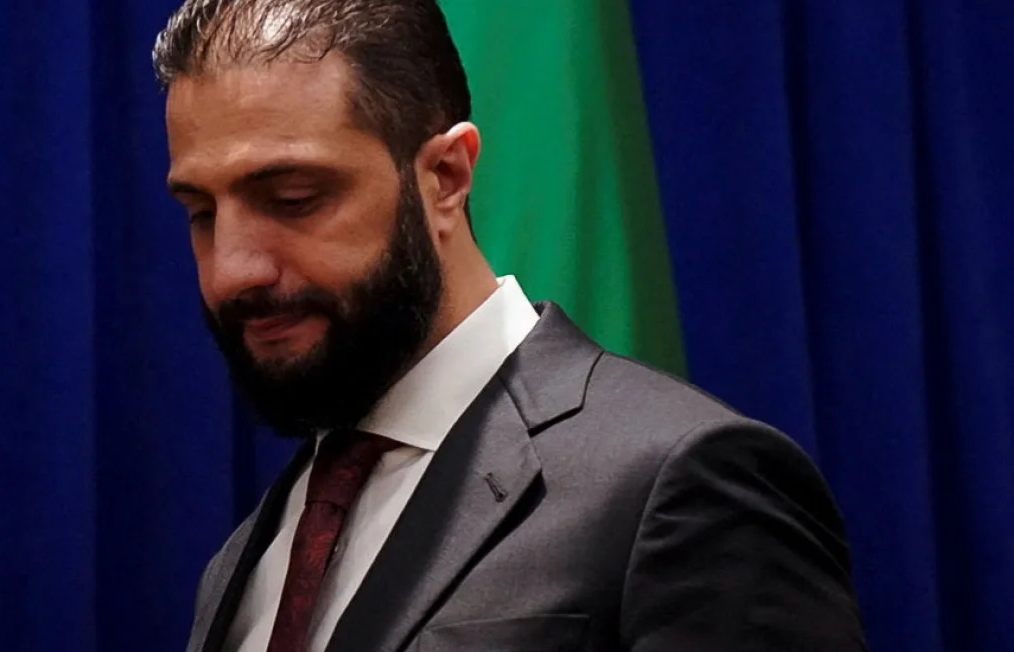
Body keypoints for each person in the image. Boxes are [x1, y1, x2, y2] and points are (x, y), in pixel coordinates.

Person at [154, 1, 868, 650]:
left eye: (292, 198)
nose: (232, 272)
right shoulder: (251, 553)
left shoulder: (676, 484)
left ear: (445, 178)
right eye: (201, 213)